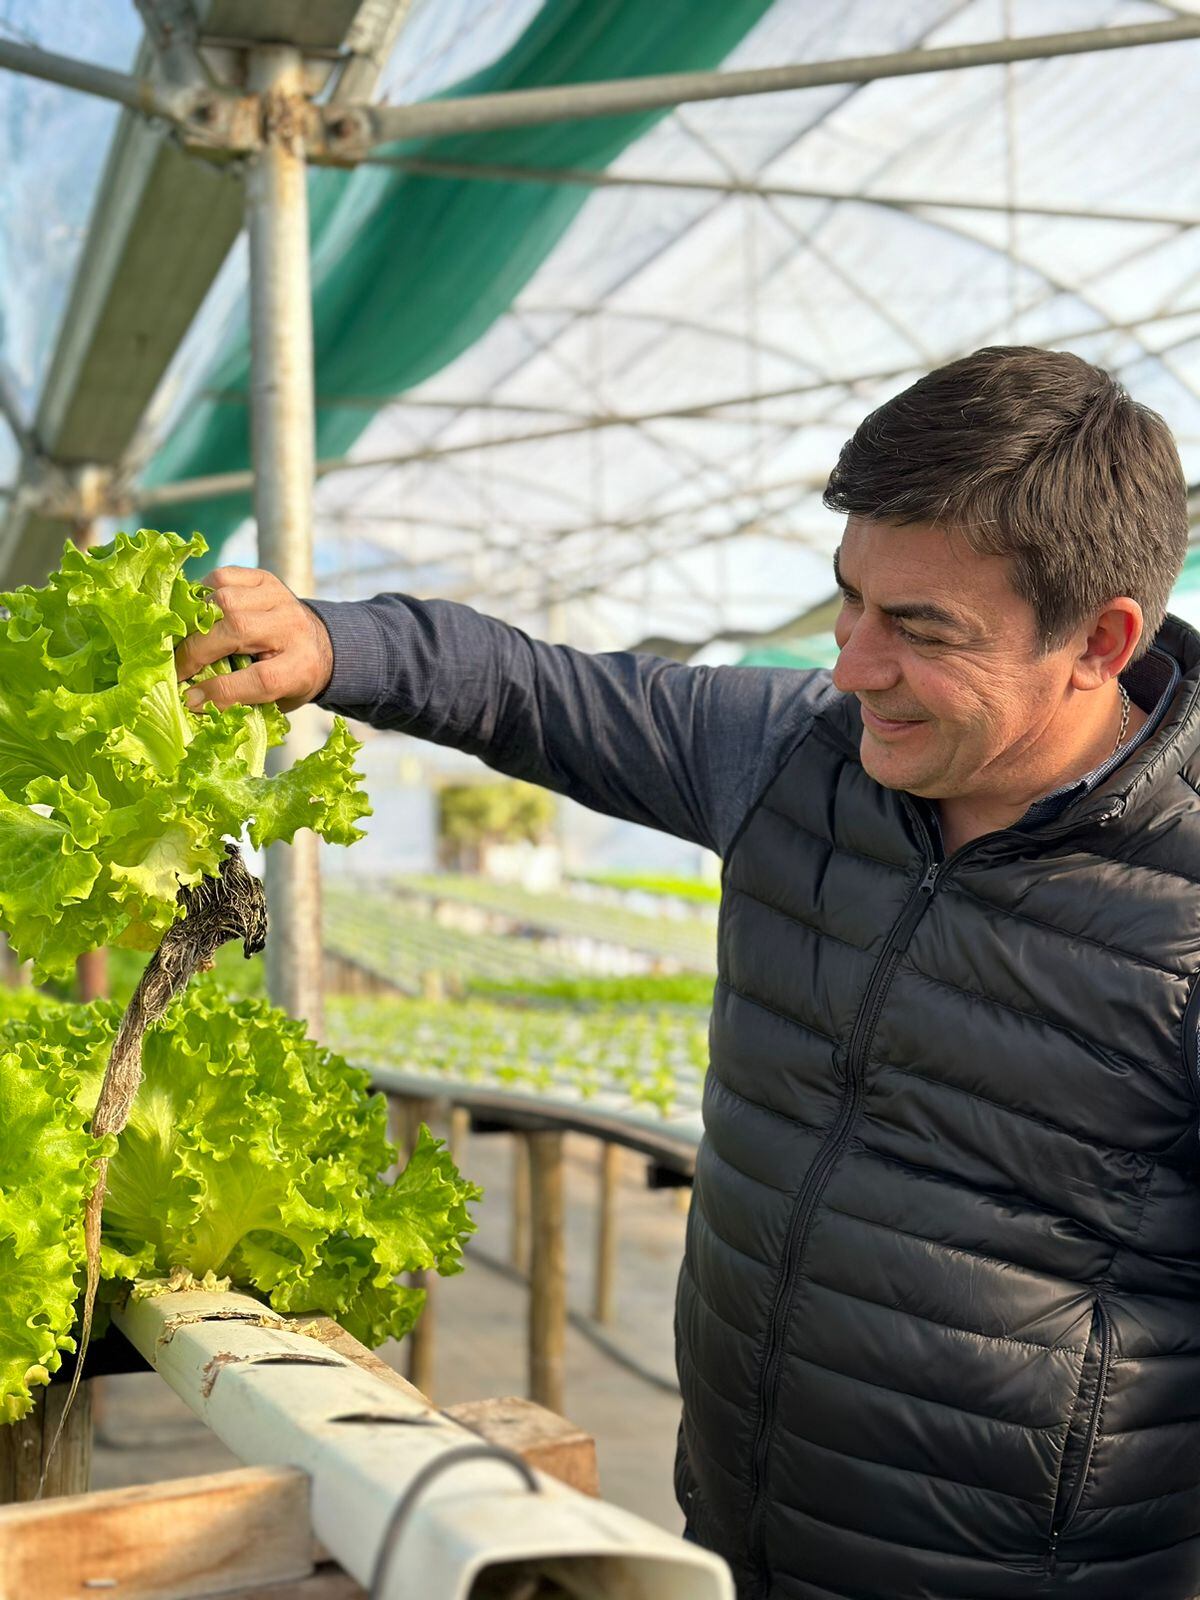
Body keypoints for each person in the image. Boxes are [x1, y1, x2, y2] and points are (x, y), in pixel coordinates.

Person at [176, 345, 1200, 1600]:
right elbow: (534, 693)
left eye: (923, 631)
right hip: (734, 1525)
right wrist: (331, 642)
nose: (852, 665)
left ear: (1098, 641)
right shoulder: (796, 758)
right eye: (851, 601)